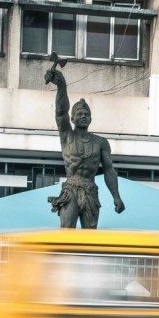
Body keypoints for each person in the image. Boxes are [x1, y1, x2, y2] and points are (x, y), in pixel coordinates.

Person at [44, 68, 125, 228]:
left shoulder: (101, 142)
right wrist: (62, 86)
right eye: (80, 114)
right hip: (71, 189)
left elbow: (109, 170)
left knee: (90, 235)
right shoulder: (67, 136)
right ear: (72, 118)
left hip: (90, 190)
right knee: (67, 231)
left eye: (86, 114)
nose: (83, 116)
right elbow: (61, 112)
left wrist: (116, 196)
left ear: (91, 119)